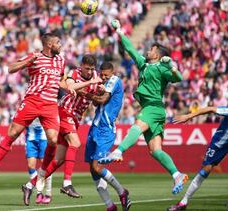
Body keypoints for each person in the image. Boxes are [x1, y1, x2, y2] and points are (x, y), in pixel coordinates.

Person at [98, 20, 188, 195]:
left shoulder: (162, 67)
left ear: (157, 54)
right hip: (153, 108)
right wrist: (119, 31)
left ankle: (118, 151)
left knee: (137, 125)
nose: (148, 50)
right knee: (155, 150)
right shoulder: (144, 64)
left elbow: (179, 79)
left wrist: (172, 66)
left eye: (151, 49)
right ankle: (177, 174)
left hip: (153, 107)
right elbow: (130, 49)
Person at [0, 32, 76, 181]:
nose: (60, 45)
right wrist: (28, 61)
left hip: (50, 103)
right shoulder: (35, 57)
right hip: (32, 100)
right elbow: (11, 68)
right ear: (49, 45)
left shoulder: (60, 60)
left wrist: (69, 87)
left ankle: (42, 172)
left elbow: (59, 81)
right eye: (58, 42)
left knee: (53, 139)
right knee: (12, 133)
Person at [22, 55, 102, 201]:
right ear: (81, 66)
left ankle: (29, 185)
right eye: (87, 69)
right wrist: (90, 82)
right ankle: (67, 183)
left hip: (76, 118)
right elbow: (70, 87)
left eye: (92, 69)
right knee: (76, 143)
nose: (90, 72)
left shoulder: (96, 77)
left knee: (58, 159)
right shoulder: (74, 73)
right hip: (65, 112)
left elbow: (95, 102)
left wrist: (99, 92)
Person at [84, 62, 131, 211]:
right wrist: (96, 93)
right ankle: (110, 206)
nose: (103, 77)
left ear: (113, 72)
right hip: (95, 128)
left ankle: (122, 192)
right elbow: (97, 104)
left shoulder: (115, 80)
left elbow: (102, 100)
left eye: (106, 75)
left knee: (97, 167)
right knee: (92, 168)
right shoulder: (105, 84)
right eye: (102, 74)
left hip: (106, 130)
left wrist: (85, 93)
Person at [25, 118, 52, 204]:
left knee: (45, 165)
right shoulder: (24, 105)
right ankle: (39, 193)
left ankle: (48, 193)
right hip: (30, 137)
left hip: (43, 137)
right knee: (31, 166)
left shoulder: (44, 105)